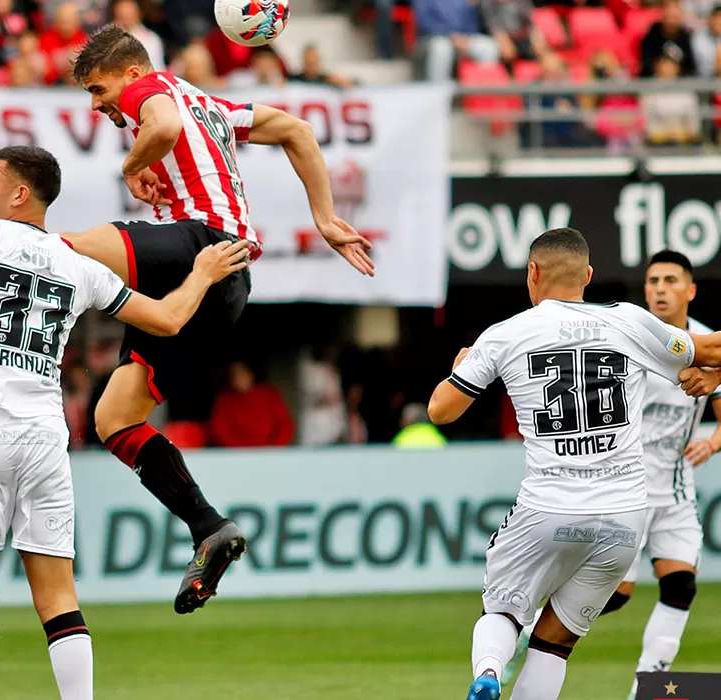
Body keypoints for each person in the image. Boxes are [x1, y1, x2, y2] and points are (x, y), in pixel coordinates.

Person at [0, 144, 248, 700]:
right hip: (43, 435)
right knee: (58, 599)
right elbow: (169, 319)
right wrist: (199, 274)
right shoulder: (81, 267)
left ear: (20, 193)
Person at [58, 25, 373, 614]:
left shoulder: (147, 90)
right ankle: (208, 528)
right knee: (113, 418)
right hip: (222, 285)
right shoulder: (214, 106)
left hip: (203, 245)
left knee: (66, 248)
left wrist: (132, 165)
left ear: (129, 74)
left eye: (98, 90)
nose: (97, 106)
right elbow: (297, 130)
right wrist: (325, 218)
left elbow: (164, 127)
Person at [426, 227, 721, 700]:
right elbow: (711, 349)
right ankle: (645, 684)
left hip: (547, 508)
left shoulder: (505, 334)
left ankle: (487, 673)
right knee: (554, 645)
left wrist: (461, 365)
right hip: (625, 517)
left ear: (532, 274)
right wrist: (714, 371)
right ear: (587, 275)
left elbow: (441, 411)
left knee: (502, 614)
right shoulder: (628, 321)